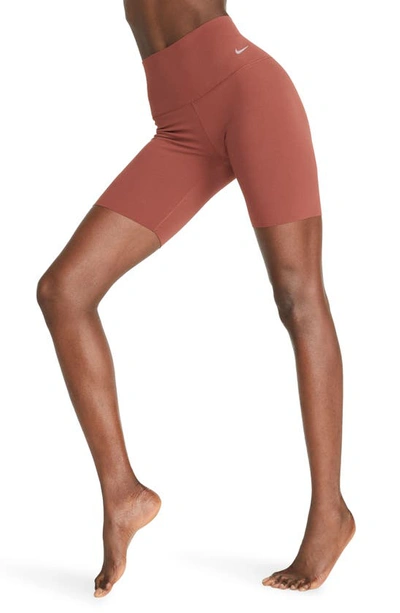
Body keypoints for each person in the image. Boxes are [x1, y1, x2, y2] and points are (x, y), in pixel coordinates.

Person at [36, 0, 355, 598]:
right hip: (179, 129)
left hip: (247, 91)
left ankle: (329, 512)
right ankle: (123, 493)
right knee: (64, 291)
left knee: (299, 297)